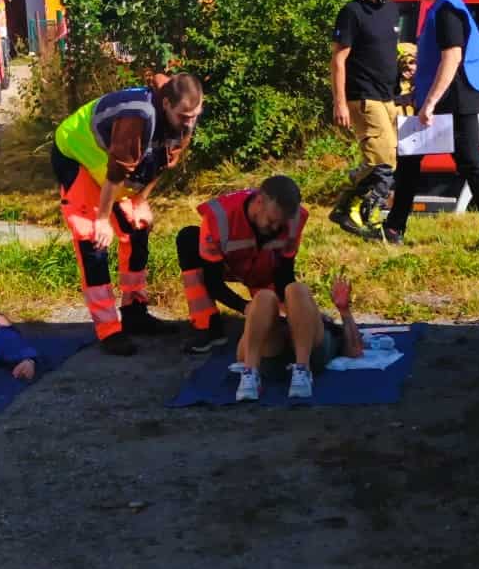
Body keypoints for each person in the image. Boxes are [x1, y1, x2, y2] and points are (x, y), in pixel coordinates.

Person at [50, 73, 204, 355]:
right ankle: (108, 329)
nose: (189, 123)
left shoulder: (184, 118)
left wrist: (140, 200)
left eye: (195, 116)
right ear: (166, 104)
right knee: (93, 239)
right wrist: (101, 219)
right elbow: (116, 173)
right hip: (77, 155)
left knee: (137, 226)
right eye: (184, 117)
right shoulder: (137, 118)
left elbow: (161, 165)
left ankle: (134, 312)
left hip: (108, 168)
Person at [400, 0, 479, 248]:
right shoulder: (440, 6)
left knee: (472, 163)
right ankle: (394, 227)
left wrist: (429, 104)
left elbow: (451, 59)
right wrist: (416, 94)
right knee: (411, 157)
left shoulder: (447, 9)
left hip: (456, 99)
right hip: (451, 97)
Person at [328, 0, 419, 237]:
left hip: (388, 97)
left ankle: (348, 207)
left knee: (386, 161)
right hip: (364, 98)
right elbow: (338, 60)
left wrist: (404, 73)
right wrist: (340, 103)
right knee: (383, 161)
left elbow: (385, 52)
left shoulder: (391, 10)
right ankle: (359, 213)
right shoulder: (352, 12)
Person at [176, 173, 307, 355]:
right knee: (188, 238)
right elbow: (213, 281)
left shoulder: (296, 218)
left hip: (264, 273)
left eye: (282, 224)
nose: (276, 228)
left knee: (282, 332)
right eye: (271, 221)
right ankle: (208, 326)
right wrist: (244, 307)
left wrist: (290, 308)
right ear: (259, 202)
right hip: (227, 266)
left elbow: (285, 273)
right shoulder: (219, 217)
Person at [233, 274, 368, 408]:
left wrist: (344, 311)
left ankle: (302, 369)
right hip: (272, 358)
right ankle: (251, 374)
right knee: (264, 296)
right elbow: (241, 355)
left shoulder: (328, 327)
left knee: (296, 289)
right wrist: (256, 314)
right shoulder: (278, 322)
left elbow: (355, 350)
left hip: (311, 355)